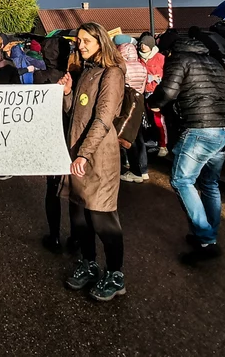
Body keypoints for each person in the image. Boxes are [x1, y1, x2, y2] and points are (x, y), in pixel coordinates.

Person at [148, 36, 225, 264]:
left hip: (200, 128)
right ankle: (209, 236)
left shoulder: (180, 59)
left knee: (182, 181)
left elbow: (167, 91)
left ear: (170, 51)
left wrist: (153, 102)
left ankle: (206, 239)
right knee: (210, 183)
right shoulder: (213, 61)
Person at [58, 23, 127, 301]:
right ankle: (88, 263)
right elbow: (74, 114)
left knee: (101, 217)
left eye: (86, 40)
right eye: (78, 41)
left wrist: (85, 154)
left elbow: (103, 118)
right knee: (80, 217)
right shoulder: (86, 71)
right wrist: (67, 94)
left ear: (101, 42)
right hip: (77, 155)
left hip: (98, 157)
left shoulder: (112, 74)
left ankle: (116, 273)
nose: (80, 45)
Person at [33, 35, 75, 254]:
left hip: (51, 136)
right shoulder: (74, 75)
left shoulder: (41, 76)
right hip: (72, 136)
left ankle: (55, 235)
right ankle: (76, 237)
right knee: (76, 188)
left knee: (53, 188)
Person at [118, 40, 149, 183]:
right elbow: (142, 87)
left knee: (128, 136)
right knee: (139, 137)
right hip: (139, 102)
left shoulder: (122, 67)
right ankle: (143, 169)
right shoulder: (142, 67)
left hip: (128, 103)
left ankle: (134, 169)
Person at [138, 34, 168, 157]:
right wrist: (149, 78)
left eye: (145, 44)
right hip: (143, 92)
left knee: (159, 120)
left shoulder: (160, 58)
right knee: (146, 120)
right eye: (141, 44)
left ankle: (163, 145)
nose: (142, 46)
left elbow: (166, 74)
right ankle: (152, 141)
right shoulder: (137, 58)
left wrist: (160, 80)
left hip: (157, 93)